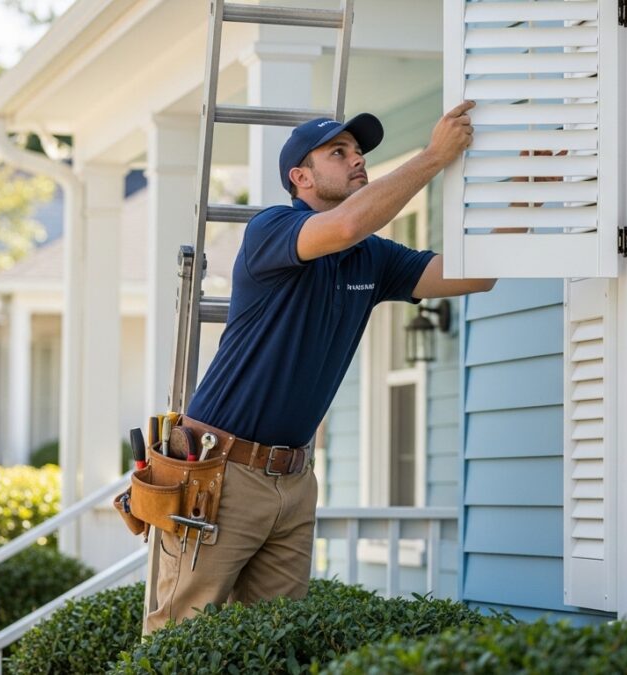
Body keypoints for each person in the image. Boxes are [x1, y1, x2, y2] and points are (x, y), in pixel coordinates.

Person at [144, 100, 494, 632]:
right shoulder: (271, 229)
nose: (357, 159)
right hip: (220, 472)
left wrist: (528, 191)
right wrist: (433, 156)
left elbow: (478, 275)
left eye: (358, 151)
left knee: (273, 642)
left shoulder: (373, 258)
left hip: (294, 480)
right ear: (300, 177)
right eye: (339, 152)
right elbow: (346, 224)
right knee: (180, 635)